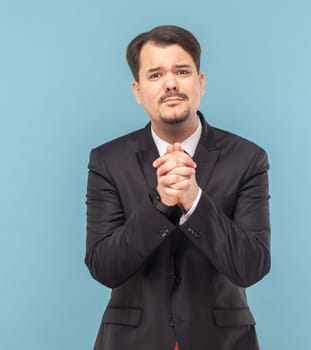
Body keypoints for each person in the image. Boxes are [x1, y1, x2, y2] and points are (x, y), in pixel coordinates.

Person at [85, 25, 271, 350]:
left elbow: (251, 266)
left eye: (182, 71)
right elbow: (104, 267)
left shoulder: (248, 158)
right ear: (137, 91)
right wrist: (160, 204)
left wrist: (195, 202)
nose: (170, 83)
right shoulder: (107, 161)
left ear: (200, 82)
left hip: (223, 341)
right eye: (155, 75)